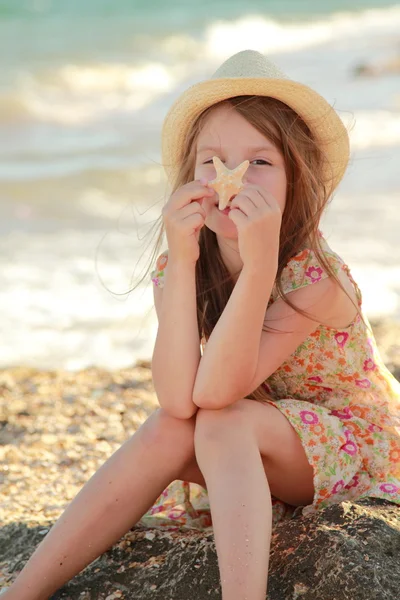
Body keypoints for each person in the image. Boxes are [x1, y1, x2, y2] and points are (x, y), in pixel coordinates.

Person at [2, 49, 399, 600]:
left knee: (224, 420)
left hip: (350, 445)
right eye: (211, 162)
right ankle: (22, 593)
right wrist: (183, 261)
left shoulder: (317, 279)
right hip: (249, 439)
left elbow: (217, 392)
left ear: (297, 180)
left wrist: (260, 265)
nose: (228, 179)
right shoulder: (182, 262)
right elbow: (177, 400)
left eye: (260, 163)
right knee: (171, 428)